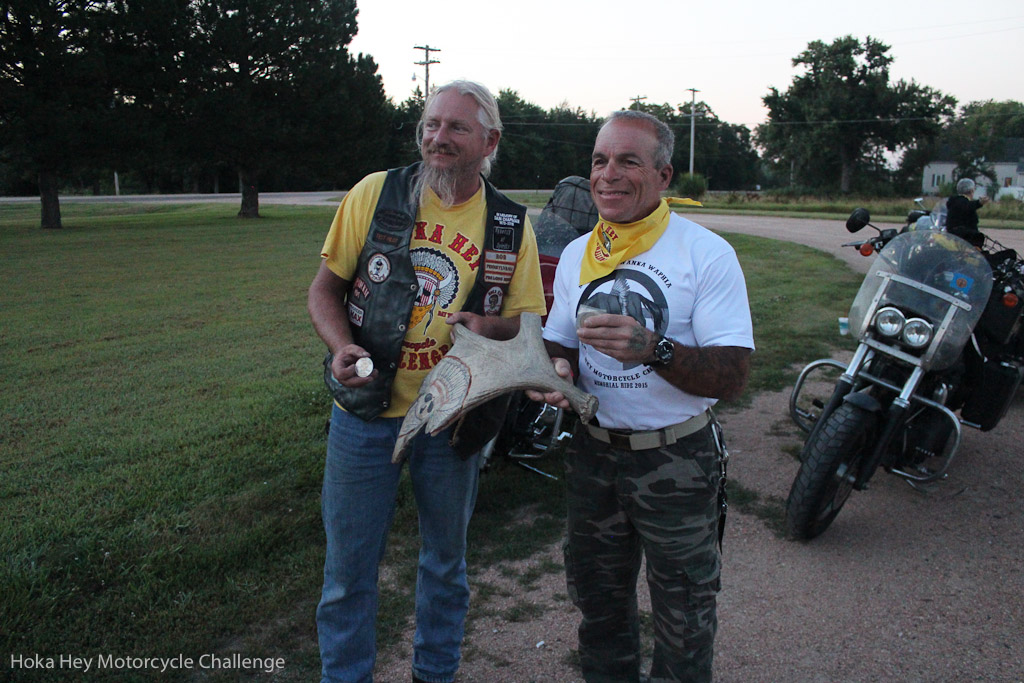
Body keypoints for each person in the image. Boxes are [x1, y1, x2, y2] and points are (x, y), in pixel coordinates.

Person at [307, 80, 547, 683]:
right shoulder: (375, 193)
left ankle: (434, 674)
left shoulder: (509, 224)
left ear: (489, 140)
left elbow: (521, 323)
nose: (438, 138)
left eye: (456, 128)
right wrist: (342, 347)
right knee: (347, 574)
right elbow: (323, 290)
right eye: (431, 124)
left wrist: (484, 324)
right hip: (364, 412)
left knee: (445, 564)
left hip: (452, 417)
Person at [528, 110, 755, 683]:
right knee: (598, 605)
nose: (608, 174)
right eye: (600, 160)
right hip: (593, 455)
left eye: (629, 160)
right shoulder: (582, 252)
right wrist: (557, 369)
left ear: (663, 175)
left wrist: (655, 350)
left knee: (684, 612)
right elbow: (560, 342)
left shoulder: (705, 253)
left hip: (675, 461)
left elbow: (732, 376)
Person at [946, 177, 990, 247]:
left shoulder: (954, 201)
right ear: (971, 190)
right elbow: (967, 206)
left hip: (956, 238)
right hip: (965, 241)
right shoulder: (961, 202)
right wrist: (979, 203)